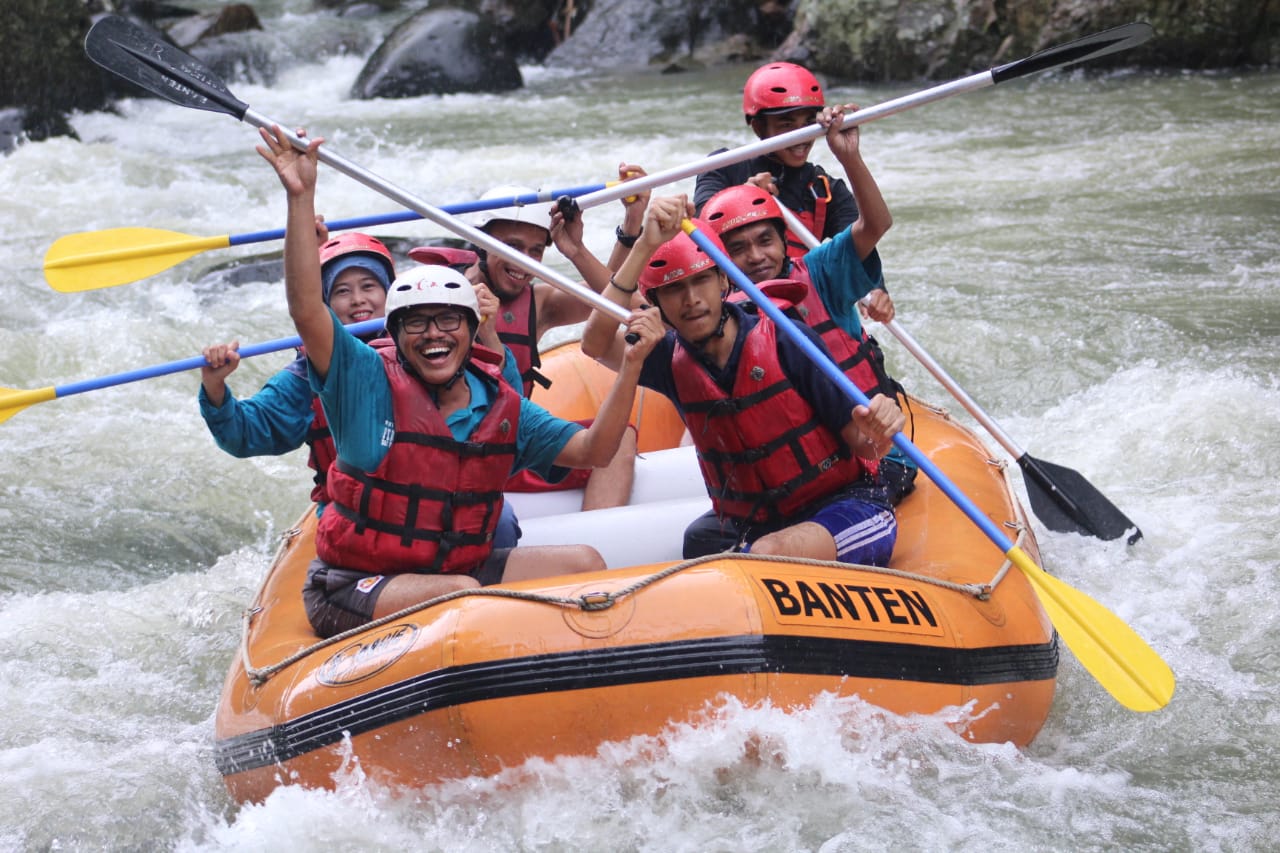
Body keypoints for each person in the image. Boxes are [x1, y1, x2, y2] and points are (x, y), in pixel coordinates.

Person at [256, 124, 658, 638]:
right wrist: (300, 197)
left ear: (472, 331)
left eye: (448, 321)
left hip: (448, 569)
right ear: (394, 335)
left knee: (582, 561)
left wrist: (631, 366)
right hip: (353, 583)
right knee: (459, 595)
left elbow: (595, 450)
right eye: (416, 323)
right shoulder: (365, 381)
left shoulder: (498, 400)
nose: (433, 335)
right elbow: (307, 309)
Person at [581, 194, 906, 565]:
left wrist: (883, 422)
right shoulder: (668, 359)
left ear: (723, 280)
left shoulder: (786, 338)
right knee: (699, 541)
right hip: (757, 522)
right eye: (673, 289)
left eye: (701, 280)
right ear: (656, 302)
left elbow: (865, 446)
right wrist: (644, 245)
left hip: (845, 508)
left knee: (766, 554)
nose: (691, 300)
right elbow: (595, 342)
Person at [698, 104, 918, 505]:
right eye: (738, 249)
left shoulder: (820, 271)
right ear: (722, 260)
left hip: (876, 455)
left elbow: (875, 224)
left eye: (765, 241)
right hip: (804, 467)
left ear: (784, 241)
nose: (756, 256)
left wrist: (848, 157)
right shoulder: (715, 308)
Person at [467, 171, 648, 511]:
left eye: (535, 251)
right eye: (512, 247)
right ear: (480, 244)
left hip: (515, 447)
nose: (524, 261)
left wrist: (632, 222)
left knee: (620, 437)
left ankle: (603, 547)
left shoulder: (539, 303)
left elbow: (609, 294)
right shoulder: (440, 298)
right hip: (459, 451)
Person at [693, 61, 859, 258]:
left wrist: (850, 157)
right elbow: (701, 237)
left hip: (798, 287)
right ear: (758, 128)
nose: (802, 136)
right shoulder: (723, 166)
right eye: (787, 124)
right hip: (738, 287)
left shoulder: (825, 189)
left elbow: (861, 250)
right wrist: (742, 199)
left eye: (809, 123)